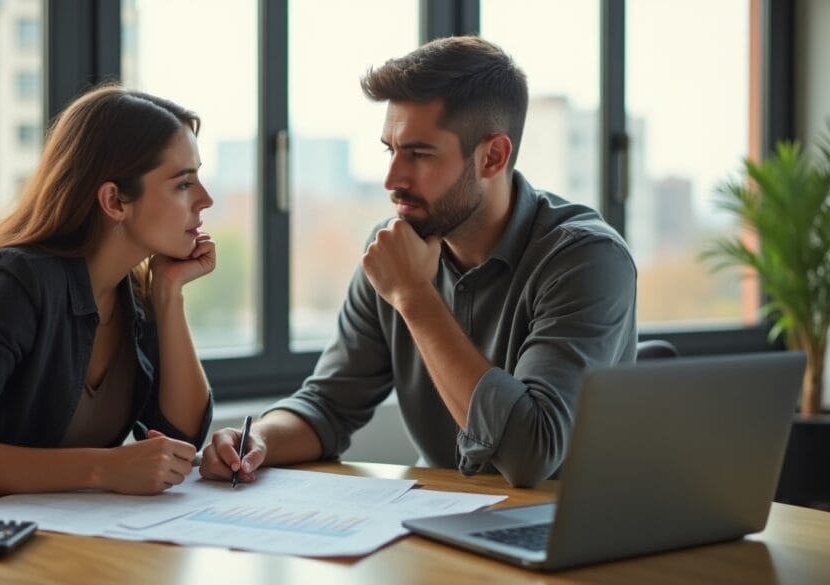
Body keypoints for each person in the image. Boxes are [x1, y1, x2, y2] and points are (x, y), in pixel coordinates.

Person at [200, 36, 637, 488]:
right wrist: (258, 441)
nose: (392, 179)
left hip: (558, 530)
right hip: (438, 524)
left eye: (420, 154)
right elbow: (330, 405)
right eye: (391, 149)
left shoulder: (585, 258)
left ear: (492, 157)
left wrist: (413, 295)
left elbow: (532, 453)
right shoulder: (394, 248)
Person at [0, 84, 215, 498]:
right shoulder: (20, 282)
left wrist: (169, 294)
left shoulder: (135, 294)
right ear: (115, 201)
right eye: (183, 184)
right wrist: (102, 468)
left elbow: (182, 438)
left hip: (40, 532)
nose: (206, 200)